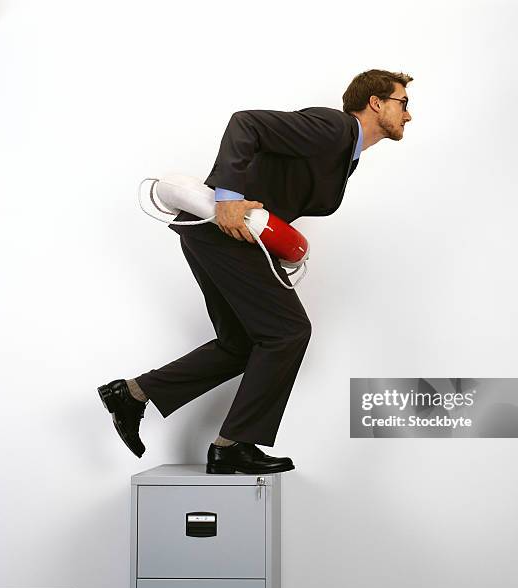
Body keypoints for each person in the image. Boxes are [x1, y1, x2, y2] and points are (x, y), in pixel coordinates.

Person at [97, 69, 413, 474]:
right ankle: (233, 446)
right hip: (222, 232)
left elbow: (276, 185)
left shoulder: (343, 155)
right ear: (376, 102)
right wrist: (228, 195)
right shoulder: (334, 127)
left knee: (239, 345)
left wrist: (280, 243)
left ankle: (132, 395)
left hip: (224, 241)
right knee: (289, 331)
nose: (408, 115)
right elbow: (247, 122)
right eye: (403, 103)